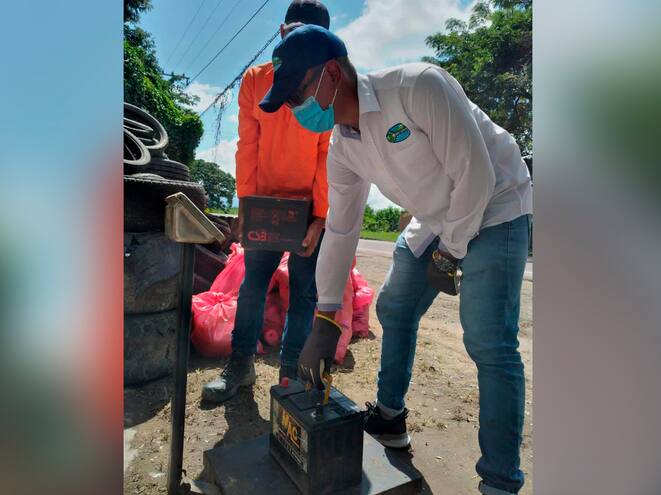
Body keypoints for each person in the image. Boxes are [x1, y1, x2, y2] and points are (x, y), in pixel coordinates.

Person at [257, 25, 533, 495]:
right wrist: (325, 316)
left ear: (330, 73)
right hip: (434, 217)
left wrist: (449, 253)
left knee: (489, 340)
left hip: (496, 203)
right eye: (285, 102)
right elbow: (343, 230)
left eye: (296, 93)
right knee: (395, 307)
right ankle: (389, 419)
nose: (293, 108)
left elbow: (476, 174)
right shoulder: (344, 150)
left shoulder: (416, 88)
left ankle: (500, 482)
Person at [201, 1, 333, 404]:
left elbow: (329, 152)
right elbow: (248, 148)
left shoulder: (328, 86)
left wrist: (321, 217)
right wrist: (246, 206)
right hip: (265, 204)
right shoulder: (256, 81)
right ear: (280, 33)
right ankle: (240, 366)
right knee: (254, 283)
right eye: (293, 35)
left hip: (310, 208)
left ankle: (292, 372)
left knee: (305, 292)